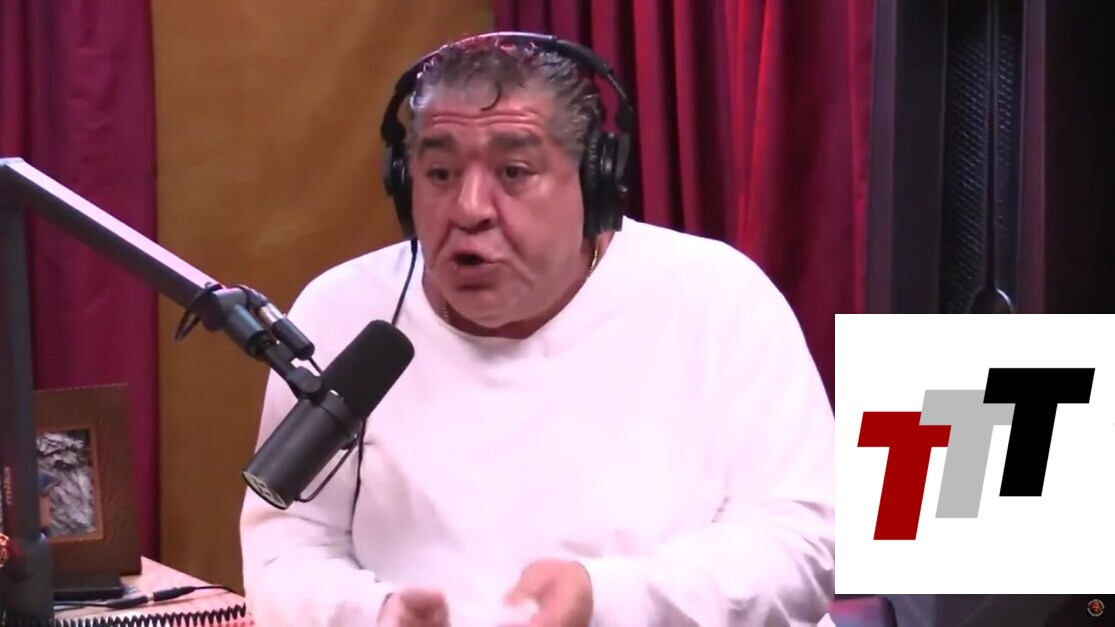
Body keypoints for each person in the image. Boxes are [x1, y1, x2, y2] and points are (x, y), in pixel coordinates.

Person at [240, 32, 835, 627]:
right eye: (440, 173)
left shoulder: (717, 297)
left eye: (514, 172)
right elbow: (286, 545)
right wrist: (373, 614)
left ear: (594, 184)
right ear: (404, 181)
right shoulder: (344, 311)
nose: (470, 208)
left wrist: (605, 599)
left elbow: (800, 546)